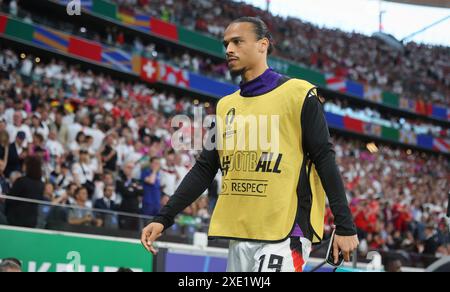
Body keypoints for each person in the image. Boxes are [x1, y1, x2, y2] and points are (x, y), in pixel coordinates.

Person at [141, 17, 358, 272]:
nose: (228, 50)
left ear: (262, 45)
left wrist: (345, 226)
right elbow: (204, 169)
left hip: (286, 231)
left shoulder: (298, 94)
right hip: (241, 231)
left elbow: (324, 157)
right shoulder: (225, 106)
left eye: (237, 41)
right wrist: (164, 218)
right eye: (226, 44)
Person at [5, 156, 45, 228]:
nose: (23, 165)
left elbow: (10, 199)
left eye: (24, 164)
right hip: (32, 221)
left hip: (16, 220)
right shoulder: (41, 184)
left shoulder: (21, 181)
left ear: (29, 166)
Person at [117, 162, 143, 230]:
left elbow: (142, 192)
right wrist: (135, 189)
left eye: (132, 168)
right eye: (128, 167)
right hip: (124, 211)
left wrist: (131, 188)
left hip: (135, 211)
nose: (130, 169)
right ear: (124, 168)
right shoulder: (120, 179)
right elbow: (125, 192)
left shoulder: (136, 181)